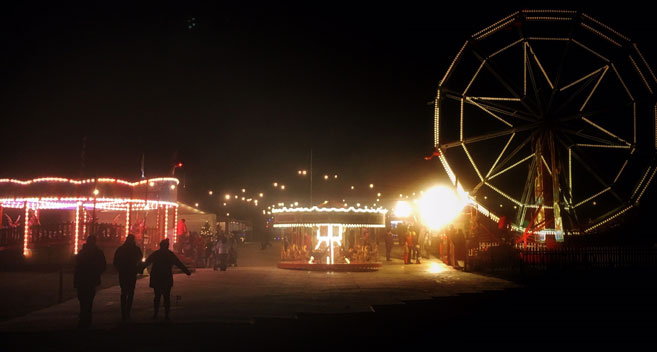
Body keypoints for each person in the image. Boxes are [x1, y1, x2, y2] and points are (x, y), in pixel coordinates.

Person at [141, 239, 191, 320]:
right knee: (166, 297)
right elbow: (178, 263)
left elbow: (147, 262)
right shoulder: (169, 254)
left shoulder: (156, 254)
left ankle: (155, 314)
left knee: (157, 296)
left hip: (157, 277)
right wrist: (186, 271)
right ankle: (166, 315)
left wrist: (139, 269)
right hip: (166, 277)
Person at [73, 235, 106, 328]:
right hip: (91, 279)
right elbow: (103, 265)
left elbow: (76, 265)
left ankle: (83, 316)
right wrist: (97, 273)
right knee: (89, 299)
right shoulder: (98, 252)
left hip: (82, 280)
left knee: (82, 299)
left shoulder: (82, 252)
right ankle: (87, 317)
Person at [113, 234, 143, 321]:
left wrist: (119, 269)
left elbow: (116, 261)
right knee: (130, 292)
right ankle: (127, 311)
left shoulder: (121, 249)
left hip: (123, 273)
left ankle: (124, 312)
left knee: (124, 291)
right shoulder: (135, 249)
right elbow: (140, 258)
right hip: (131, 272)